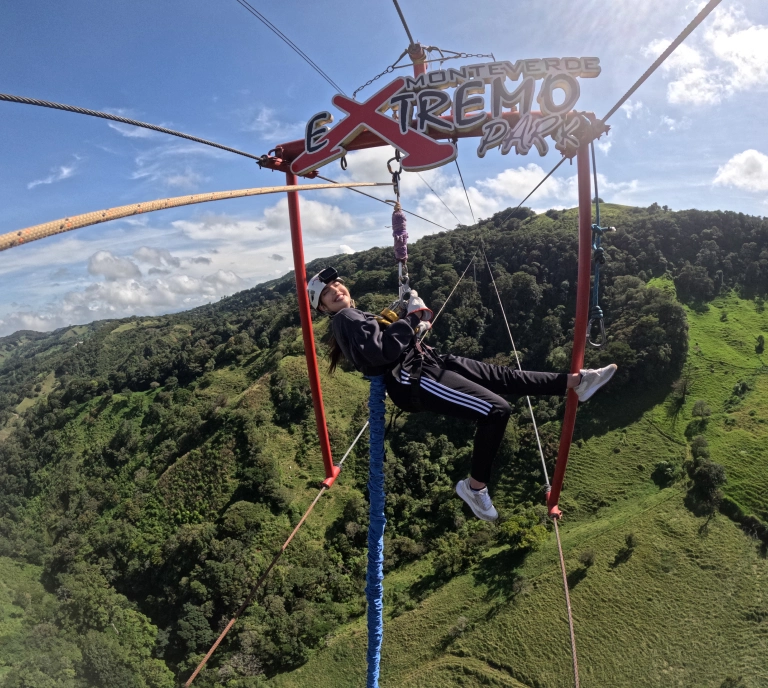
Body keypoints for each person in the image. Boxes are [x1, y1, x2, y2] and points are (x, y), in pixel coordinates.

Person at [307, 267, 617, 522]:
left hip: (426, 362)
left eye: (336, 284)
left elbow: (379, 340)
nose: (336, 290)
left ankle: (576, 381)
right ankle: (474, 488)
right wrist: (413, 319)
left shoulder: (354, 316)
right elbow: (380, 352)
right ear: (321, 307)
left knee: (503, 376)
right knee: (497, 408)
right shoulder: (345, 318)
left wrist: (403, 314)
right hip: (415, 376)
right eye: (327, 292)